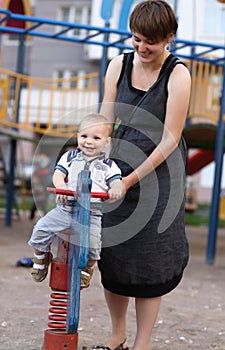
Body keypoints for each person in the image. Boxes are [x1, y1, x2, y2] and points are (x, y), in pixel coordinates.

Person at [91, 1, 191, 349]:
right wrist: (93, 160)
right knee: (115, 254)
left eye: (151, 41)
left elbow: (170, 138)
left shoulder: (178, 74)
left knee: (152, 258)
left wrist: (131, 181)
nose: (142, 47)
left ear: (169, 38)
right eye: (136, 39)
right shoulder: (119, 64)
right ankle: (117, 335)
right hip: (119, 160)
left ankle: (142, 343)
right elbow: (106, 118)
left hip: (161, 171)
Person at [28, 113, 124, 288]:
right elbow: (58, 175)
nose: (89, 141)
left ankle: (87, 269)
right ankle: (41, 256)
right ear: (78, 136)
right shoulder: (70, 157)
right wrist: (61, 187)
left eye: (96, 138)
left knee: (94, 248)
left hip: (92, 212)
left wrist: (117, 188)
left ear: (106, 142)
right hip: (67, 207)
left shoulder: (109, 165)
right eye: (84, 136)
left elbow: (116, 181)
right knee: (41, 229)